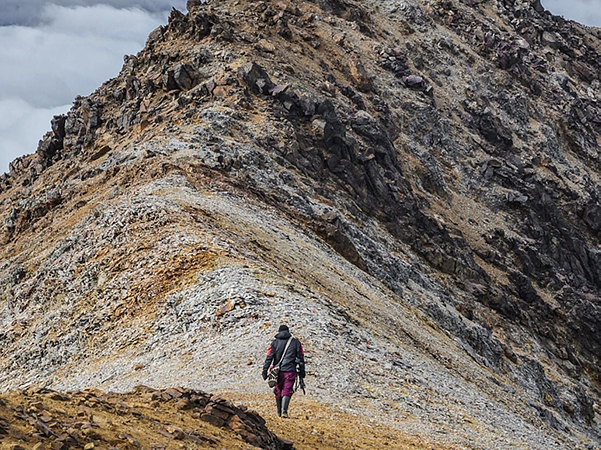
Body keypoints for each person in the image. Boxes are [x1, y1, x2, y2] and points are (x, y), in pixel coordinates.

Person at [262, 324, 305, 418]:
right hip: (290, 370)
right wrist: (302, 372)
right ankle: (284, 412)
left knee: (278, 390)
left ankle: (278, 412)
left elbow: (269, 357)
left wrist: (265, 370)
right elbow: (301, 357)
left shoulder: (274, 343)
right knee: (287, 389)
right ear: (288, 332)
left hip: (277, 372)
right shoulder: (296, 342)